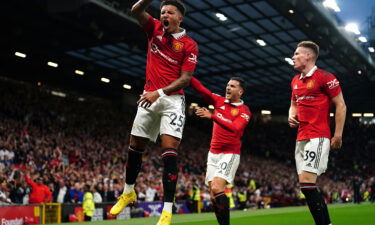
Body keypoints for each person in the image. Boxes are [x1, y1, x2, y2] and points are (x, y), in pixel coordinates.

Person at [110, 1, 199, 225]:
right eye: (162, 12)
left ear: (180, 18)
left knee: (168, 150)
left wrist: (159, 93)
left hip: (172, 100)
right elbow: (135, 11)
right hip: (149, 96)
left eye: (169, 12)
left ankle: (167, 210)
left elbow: (186, 79)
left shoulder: (189, 45)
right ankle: (128, 191)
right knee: (134, 145)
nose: (164, 15)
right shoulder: (155, 29)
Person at [288, 41, 346, 225]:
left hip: (318, 135)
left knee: (306, 181)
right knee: (305, 186)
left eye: (297, 54)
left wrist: (337, 134)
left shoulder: (325, 77)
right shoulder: (295, 81)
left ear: (309, 56)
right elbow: (293, 104)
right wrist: (291, 115)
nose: (293, 57)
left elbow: (341, 105)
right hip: (301, 136)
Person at [190, 77, 251, 225]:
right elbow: (201, 89)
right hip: (213, 153)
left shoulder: (245, 111)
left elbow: (235, 128)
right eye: (228, 85)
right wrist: (186, 73)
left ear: (240, 91)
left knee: (217, 187)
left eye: (233, 86)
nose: (228, 88)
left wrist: (212, 116)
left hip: (230, 153)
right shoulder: (219, 101)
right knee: (213, 195)